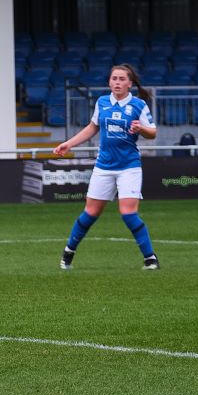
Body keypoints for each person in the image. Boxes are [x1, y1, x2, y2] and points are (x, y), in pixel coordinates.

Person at [53, 64, 160, 271]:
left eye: (122, 79)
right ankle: (68, 252)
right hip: (104, 166)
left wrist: (142, 129)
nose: (117, 82)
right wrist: (69, 143)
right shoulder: (102, 102)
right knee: (90, 213)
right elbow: (93, 127)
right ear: (109, 82)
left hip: (129, 166)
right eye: (114, 79)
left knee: (128, 213)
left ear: (130, 83)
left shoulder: (138, 105)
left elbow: (152, 133)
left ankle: (150, 258)